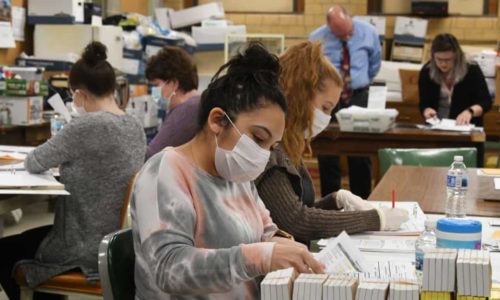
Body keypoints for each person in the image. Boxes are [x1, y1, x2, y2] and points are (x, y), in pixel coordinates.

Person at [131, 43, 324, 300]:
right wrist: (260, 256)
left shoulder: (236, 175)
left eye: (271, 146)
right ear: (218, 121)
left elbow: (265, 230)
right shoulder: (165, 171)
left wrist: (285, 247)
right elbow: (169, 269)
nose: (263, 154)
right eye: (257, 138)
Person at [0, 42, 146, 300]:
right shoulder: (134, 126)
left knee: (5, 251)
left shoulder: (86, 125)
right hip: (118, 242)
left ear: (78, 94)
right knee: (27, 240)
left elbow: (34, 161)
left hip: (82, 245)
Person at [255, 41, 408, 244]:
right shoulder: (270, 146)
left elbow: (296, 213)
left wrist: (335, 200)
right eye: (325, 108)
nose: (326, 118)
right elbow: (296, 222)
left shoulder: (290, 142)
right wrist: (375, 219)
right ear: (301, 96)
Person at [309, 5, 381, 199]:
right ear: (329, 27)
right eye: (338, 34)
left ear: (351, 19)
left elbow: (375, 64)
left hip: (358, 95)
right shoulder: (316, 38)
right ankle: (330, 201)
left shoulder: (368, 32)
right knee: (328, 151)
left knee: (359, 151)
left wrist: (360, 81)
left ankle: (362, 199)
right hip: (329, 99)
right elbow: (312, 70)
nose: (345, 36)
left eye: (348, 32)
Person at [419, 33, 491, 166]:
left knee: (466, 174)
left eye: (448, 59)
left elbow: (486, 102)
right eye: (439, 59)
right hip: (438, 132)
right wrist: (426, 110)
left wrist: (469, 111)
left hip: (467, 134)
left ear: (457, 56)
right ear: (433, 56)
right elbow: (424, 103)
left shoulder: (471, 69)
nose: (443, 64)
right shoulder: (427, 71)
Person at [145, 46, 200, 160]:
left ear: (174, 83)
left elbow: (152, 157)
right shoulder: (197, 103)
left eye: (156, 85)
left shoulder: (186, 111)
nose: (153, 92)